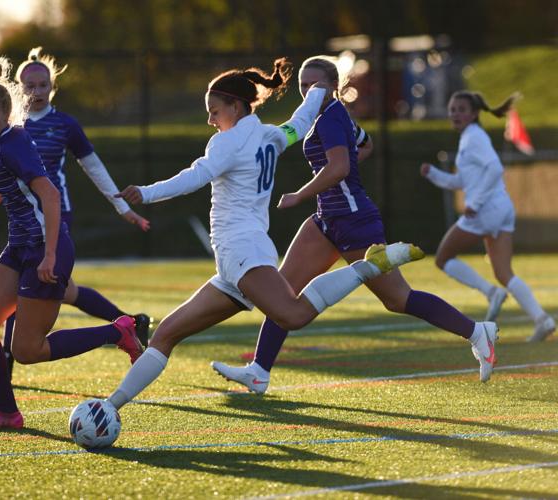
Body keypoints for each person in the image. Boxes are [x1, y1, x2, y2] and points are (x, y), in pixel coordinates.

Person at [102, 58, 425, 417]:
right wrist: (317, 92)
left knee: (293, 316)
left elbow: (195, 176)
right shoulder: (272, 134)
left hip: (242, 250)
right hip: (236, 259)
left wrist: (145, 194)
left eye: (214, 111)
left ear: (236, 106)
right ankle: (109, 406)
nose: (210, 120)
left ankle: (368, 267)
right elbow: (299, 123)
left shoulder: (228, 143)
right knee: (166, 334)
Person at [211, 56, 500, 394]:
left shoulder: (331, 116)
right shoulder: (331, 115)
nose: (308, 91)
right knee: (283, 292)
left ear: (333, 87)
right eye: (303, 85)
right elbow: (366, 144)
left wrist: (299, 195)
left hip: (353, 220)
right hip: (327, 219)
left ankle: (477, 332)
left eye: (315, 85)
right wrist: (339, 168)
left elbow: (339, 169)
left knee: (397, 299)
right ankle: (260, 370)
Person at [0, 57, 145, 430]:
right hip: (19, 247)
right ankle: (8, 413)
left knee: (27, 350)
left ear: (7, 112)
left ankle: (117, 331)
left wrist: (50, 254)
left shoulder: (15, 143)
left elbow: (51, 197)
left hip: (42, 248)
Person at [420, 90, 555, 342]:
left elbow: (495, 168)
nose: (455, 114)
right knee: (505, 273)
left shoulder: (474, 137)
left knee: (443, 257)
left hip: (487, 209)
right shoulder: (470, 138)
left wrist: (475, 201)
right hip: (501, 209)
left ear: (473, 114)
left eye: (461, 109)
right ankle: (542, 319)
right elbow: (461, 180)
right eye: (452, 109)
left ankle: (491, 293)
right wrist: (434, 175)